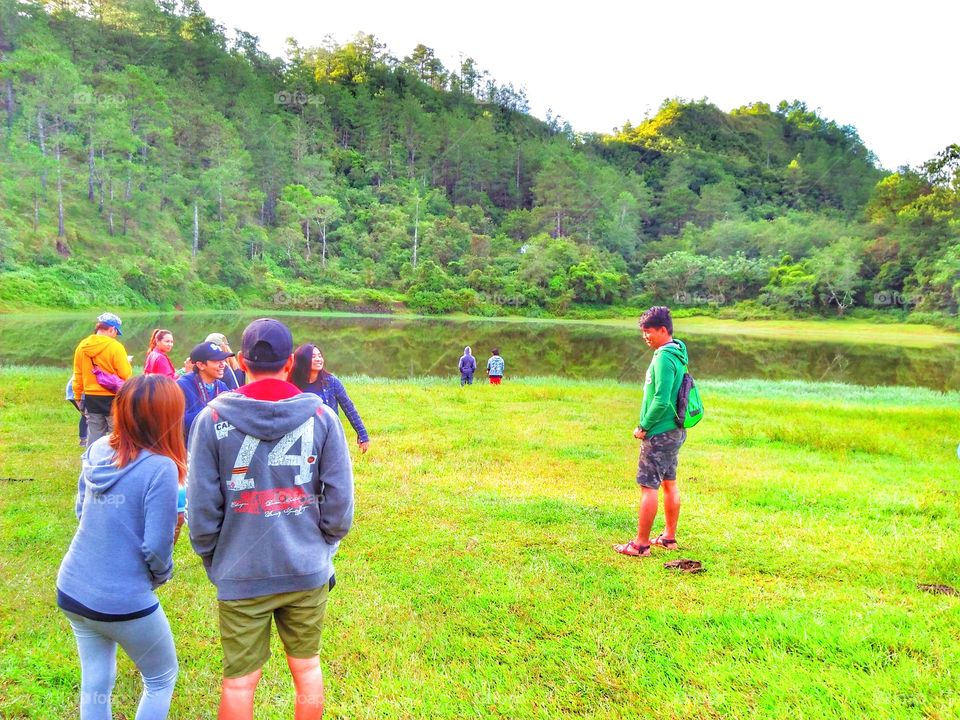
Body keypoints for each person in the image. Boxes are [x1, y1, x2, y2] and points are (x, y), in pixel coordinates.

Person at [187, 318, 354, 720]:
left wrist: (215, 557)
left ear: (241, 360)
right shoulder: (321, 416)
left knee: (240, 681)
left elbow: (202, 508)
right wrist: (323, 545)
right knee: (307, 666)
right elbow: (340, 504)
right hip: (306, 569)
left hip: (240, 571)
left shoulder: (210, 420)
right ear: (290, 363)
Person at [56, 374, 186, 719]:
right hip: (123, 600)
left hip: (72, 587)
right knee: (161, 677)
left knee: (96, 681)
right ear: (169, 417)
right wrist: (161, 576)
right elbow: (156, 547)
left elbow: (81, 510)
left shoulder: (98, 449)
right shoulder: (162, 469)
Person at [614, 306, 689, 558]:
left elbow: (661, 398)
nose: (646, 336)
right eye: (643, 332)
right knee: (669, 483)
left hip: (660, 432)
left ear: (663, 330)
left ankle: (640, 544)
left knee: (649, 486)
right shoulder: (677, 352)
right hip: (674, 430)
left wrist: (643, 426)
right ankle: (668, 538)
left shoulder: (664, 357)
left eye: (649, 332)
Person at [289, 344, 370, 454]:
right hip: (300, 436)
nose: (318, 359)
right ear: (303, 360)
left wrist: (363, 435)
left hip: (327, 434)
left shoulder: (332, 382)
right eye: (313, 356)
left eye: (320, 356)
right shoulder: (291, 383)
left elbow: (349, 408)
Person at [72, 312, 133, 446]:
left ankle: (92, 463)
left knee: (94, 433)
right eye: (116, 332)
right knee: (116, 434)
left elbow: (78, 373)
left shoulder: (82, 346)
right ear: (112, 329)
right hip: (112, 396)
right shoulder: (116, 347)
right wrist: (127, 363)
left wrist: (77, 396)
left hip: (91, 396)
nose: (116, 336)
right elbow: (125, 374)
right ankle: (115, 463)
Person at [176, 341, 233, 441]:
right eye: (216, 361)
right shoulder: (182, 385)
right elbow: (176, 424)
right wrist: (213, 411)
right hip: (189, 448)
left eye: (223, 360)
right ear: (200, 365)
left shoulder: (222, 386)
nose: (222, 365)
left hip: (214, 446)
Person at [66, 377, 88, 447]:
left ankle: (84, 440)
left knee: (86, 416)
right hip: (77, 392)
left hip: (76, 391)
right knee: (87, 415)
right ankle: (84, 440)